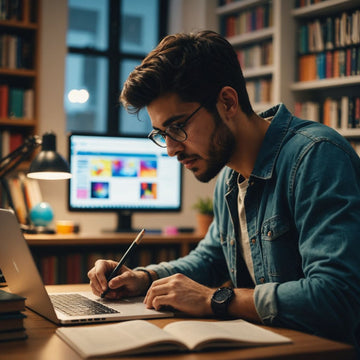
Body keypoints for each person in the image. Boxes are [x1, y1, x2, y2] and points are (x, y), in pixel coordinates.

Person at [88, 30, 360, 351]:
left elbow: (337, 297)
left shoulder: (316, 157)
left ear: (227, 102)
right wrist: (144, 278)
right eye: (162, 134)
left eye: (177, 127)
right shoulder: (229, 178)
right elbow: (211, 259)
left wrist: (215, 299)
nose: (171, 150)